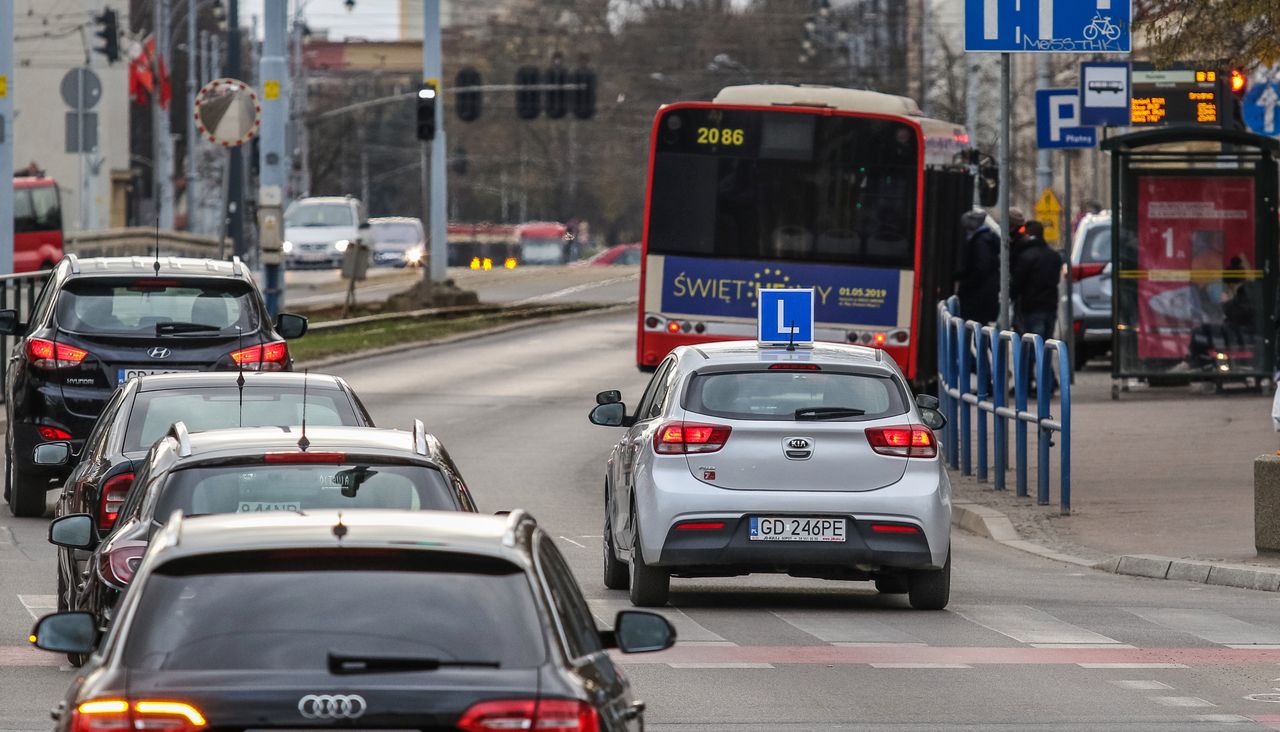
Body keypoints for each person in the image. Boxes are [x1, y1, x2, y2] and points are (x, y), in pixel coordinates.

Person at [1011, 220, 1063, 390]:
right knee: (1045, 345)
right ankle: (1045, 382)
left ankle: (1045, 384)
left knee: (1035, 347)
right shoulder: (1053, 256)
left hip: (1032, 307)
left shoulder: (1026, 257)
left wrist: (1012, 297)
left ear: (1028, 235)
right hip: (1050, 306)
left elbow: (1017, 283)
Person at [955, 210, 1000, 324]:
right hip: (984, 296)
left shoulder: (980, 242)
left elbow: (981, 269)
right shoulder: (986, 240)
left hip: (978, 298)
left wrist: (966, 283)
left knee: (976, 328)